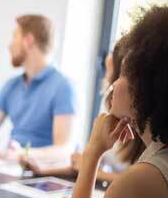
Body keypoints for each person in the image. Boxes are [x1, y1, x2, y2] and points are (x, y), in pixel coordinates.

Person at [61, 4, 168, 198]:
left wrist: (93, 152)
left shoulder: (144, 179)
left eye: (122, 73)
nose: (114, 85)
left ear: (144, 86)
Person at [27, 38, 144, 183]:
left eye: (109, 74)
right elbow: (84, 165)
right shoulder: (113, 120)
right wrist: (43, 170)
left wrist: (92, 165)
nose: (108, 85)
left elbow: (140, 183)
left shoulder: (145, 135)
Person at [0, 14, 75, 162]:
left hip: (41, 174)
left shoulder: (63, 86)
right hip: (12, 167)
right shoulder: (11, 85)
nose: (10, 46)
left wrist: (23, 154)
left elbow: (64, 150)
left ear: (28, 41)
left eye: (14, 37)